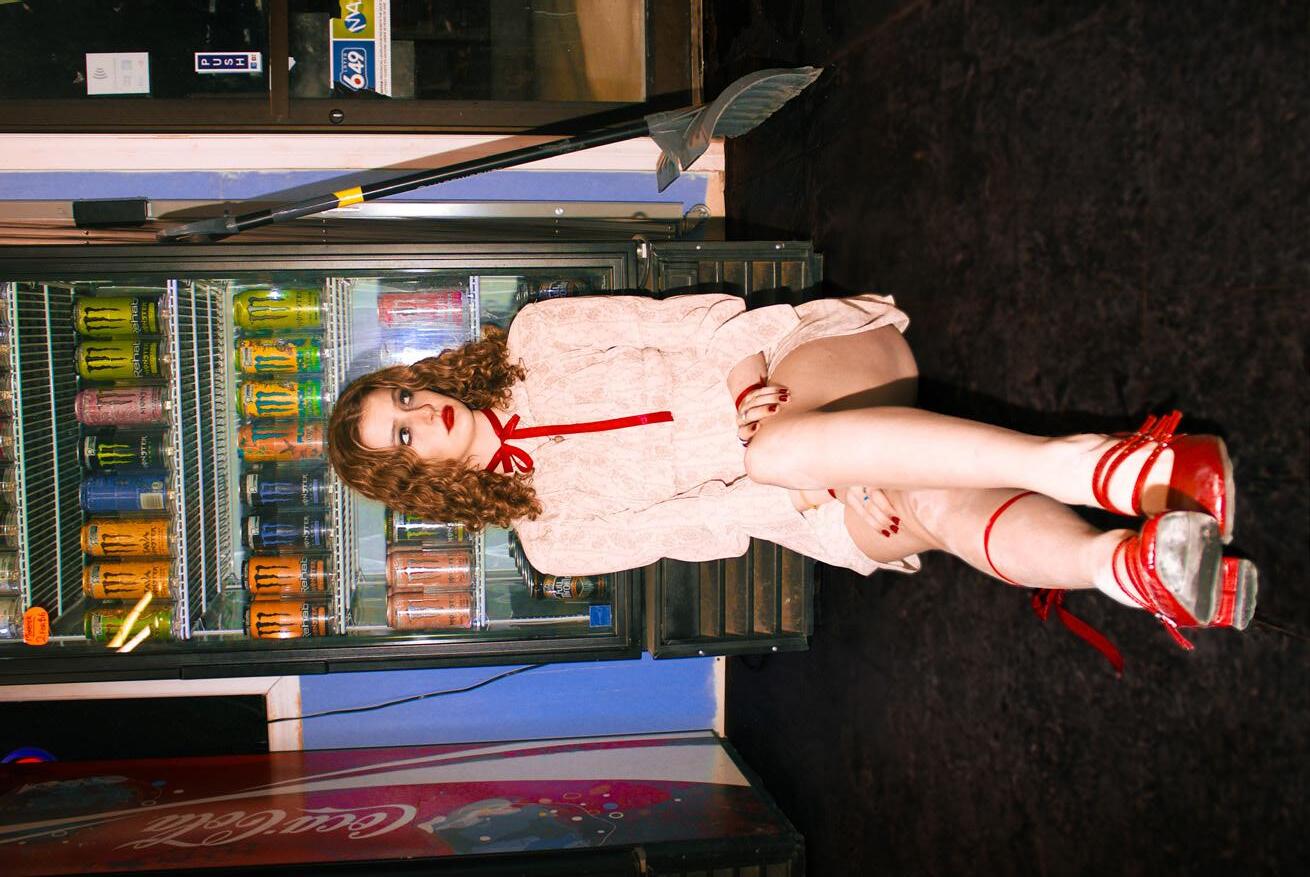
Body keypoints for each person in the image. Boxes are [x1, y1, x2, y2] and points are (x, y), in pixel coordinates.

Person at [328, 293, 1256, 661]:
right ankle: (1128, 568)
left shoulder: (533, 339)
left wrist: (749, 397)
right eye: (401, 438)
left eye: (404, 396)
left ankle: (1112, 466)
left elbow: (705, 320)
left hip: (797, 360)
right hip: (794, 496)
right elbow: (706, 529)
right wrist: (829, 482)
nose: (422, 415)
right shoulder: (551, 537)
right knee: (923, 506)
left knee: (777, 449)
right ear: (413, 483)